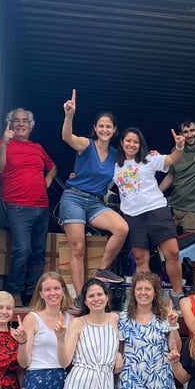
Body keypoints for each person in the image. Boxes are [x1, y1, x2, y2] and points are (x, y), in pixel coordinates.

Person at [60, 89, 128, 300]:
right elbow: (66, 137)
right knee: (78, 247)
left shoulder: (118, 155)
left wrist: (152, 156)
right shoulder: (86, 145)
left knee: (121, 228)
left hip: (96, 202)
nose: (105, 129)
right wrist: (69, 115)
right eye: (101, 126)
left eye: (109, 126)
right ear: (95, 128)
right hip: (74, 197)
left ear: (114, 130)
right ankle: (81, 297)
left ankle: (102, 270)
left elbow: (136, 165)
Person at [113, 126, 186, 305]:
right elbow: (98, 176)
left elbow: (171, 159)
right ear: (122, 143)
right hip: (133, 215)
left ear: (140, 145)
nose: (131, 144)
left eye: (135, 142)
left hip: (156, 210)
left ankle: (177, 294)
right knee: (140, 259)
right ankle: (147, 299)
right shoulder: (114, 164)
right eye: (128, 141)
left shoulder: (149, 159)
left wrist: (179, 147)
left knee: (173, 252)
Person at [0, 108, 57, 307]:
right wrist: (4, 143)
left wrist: (46, 182)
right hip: (17, 206)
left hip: (41, 206)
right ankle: (15, 292)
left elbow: (53, 166)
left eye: (25, 121)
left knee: (37, 251)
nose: (21, 124)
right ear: (9, 124)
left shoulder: (37, 147)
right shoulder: (1, 144)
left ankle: (32, 293)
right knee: (22, 249)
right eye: (16, 120)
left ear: (31, 125)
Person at [58, 278, 121, 389]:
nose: (96, 299)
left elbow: (121, 340)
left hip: (105, 384)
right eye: (91, 296)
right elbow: (65, 361)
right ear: (85, 301)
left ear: (107, 297)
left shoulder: (114, 319)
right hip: (80, 386)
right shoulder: (78, 323)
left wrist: (119, 354)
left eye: (100, 294)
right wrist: (60, 339)